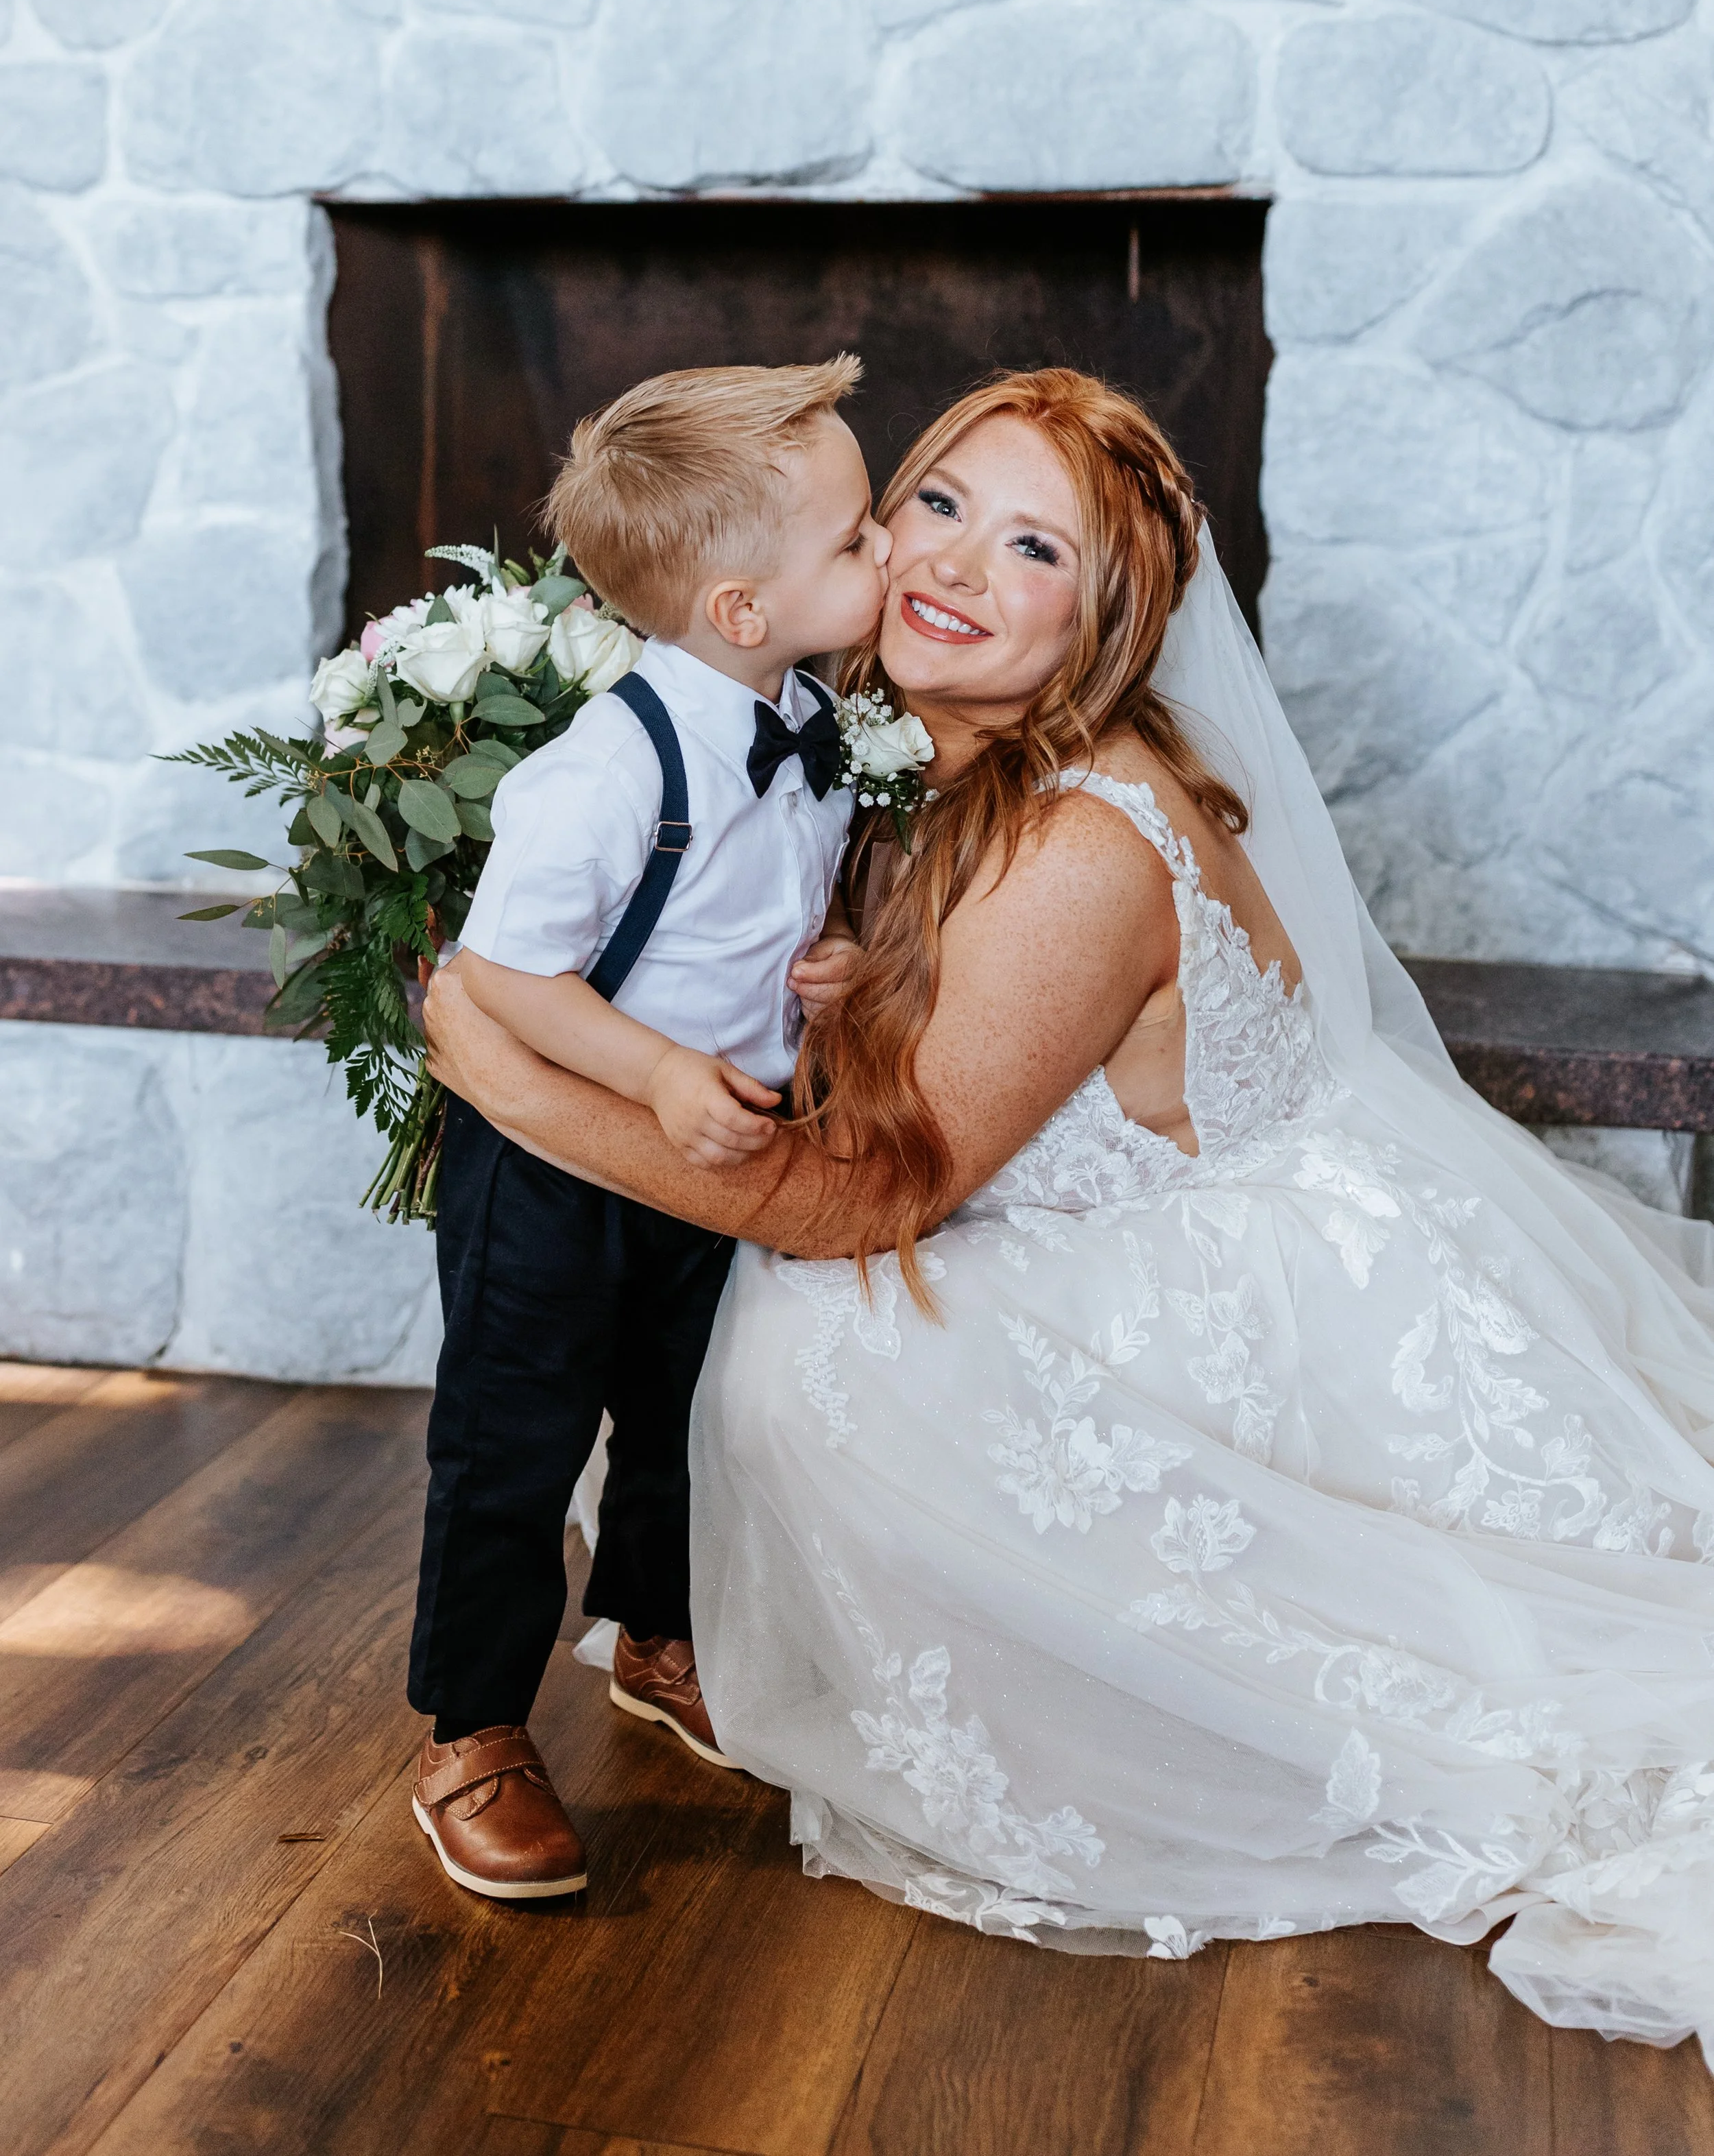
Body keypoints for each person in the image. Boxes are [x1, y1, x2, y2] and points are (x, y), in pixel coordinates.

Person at [424, 369, 1714, 2063]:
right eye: (937, 502)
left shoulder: (1080, 846)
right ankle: (568, 1674)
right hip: (1149, 1219)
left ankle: (674, 1640)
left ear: (1105, 618)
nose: (949, 563)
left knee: (815, 1344)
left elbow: (869, 1192)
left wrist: (516, 1082)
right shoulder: (876, 751)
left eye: (1030, 545)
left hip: (1248, 1316)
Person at [408, 357, 889, 1902]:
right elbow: (500, 975)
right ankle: (470, 1730)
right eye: (858, 539)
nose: (890, 558)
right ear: (740, 610)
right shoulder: (607, 767)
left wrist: (824, 969)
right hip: (554, 1165)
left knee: (687, 1416)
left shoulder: (808, 718)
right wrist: (655, 1068)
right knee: (513, 1444)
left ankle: (656, 1631)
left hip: (711, 1163)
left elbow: (754, 914)